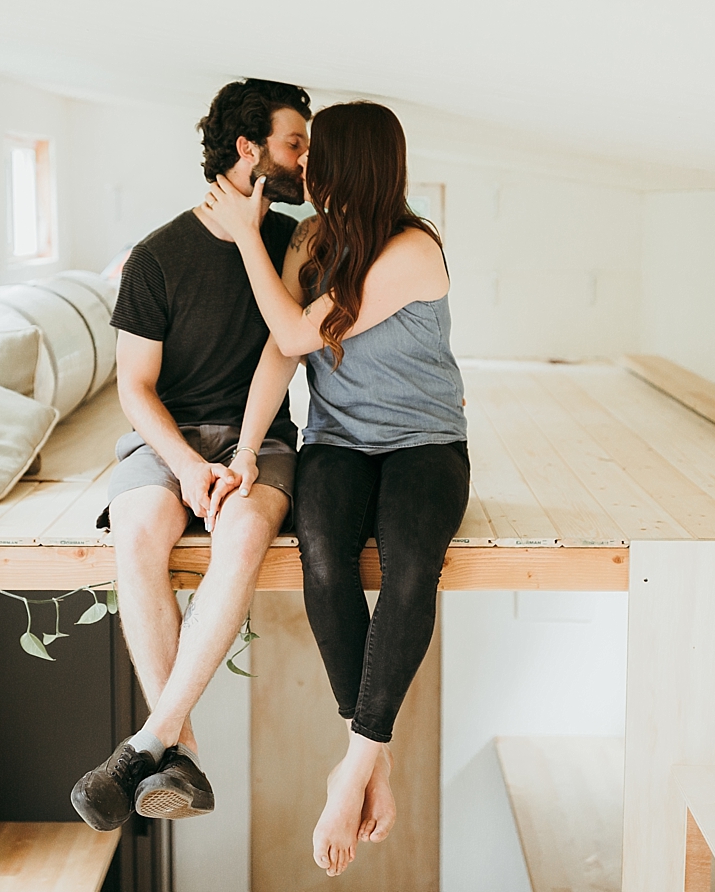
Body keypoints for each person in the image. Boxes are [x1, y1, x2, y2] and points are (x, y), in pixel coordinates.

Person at [199, 101, 470, 877]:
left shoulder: (413, 250)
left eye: (317, 151)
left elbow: (295, 332)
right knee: (323, 557)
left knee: (413, 566)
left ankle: (349, 764)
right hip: (340, 441)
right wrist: (247, 452)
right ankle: (371, 757)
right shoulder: (315, 240)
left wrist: (248, 235)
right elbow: (278, 356)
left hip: (425, 443)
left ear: (353, 163)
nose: (304, 162)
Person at [70, 79, 312, 831]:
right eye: (295, 143)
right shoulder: (156, 256)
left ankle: (150, 742)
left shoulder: (294, 242)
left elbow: (290, 349)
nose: (308, 158)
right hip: (164, 438)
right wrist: (182, 465)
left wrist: (237, 457)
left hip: (260, 436)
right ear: (250, 151)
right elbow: (135, 387)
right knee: (138, 539)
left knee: (240, 540)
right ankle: (182, 750)